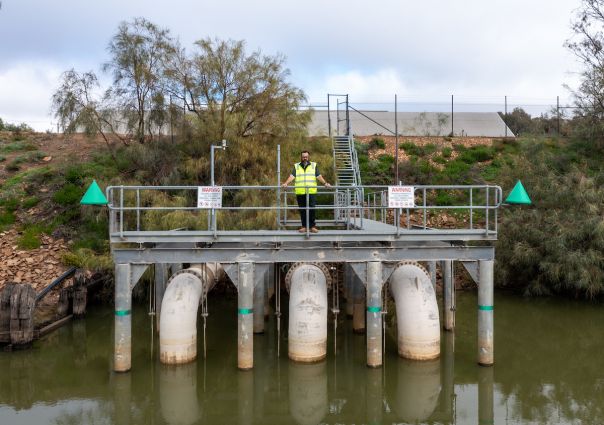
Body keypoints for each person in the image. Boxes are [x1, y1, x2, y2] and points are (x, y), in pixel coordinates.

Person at [281, 150, 331, 233]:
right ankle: (304, 226)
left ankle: (312, 226)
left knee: (311, 209)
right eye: (303, 157)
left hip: (311, 191)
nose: (305, 158)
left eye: (306, 157)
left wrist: (325, 183)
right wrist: (286, 183)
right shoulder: (296, 166)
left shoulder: (313, 165)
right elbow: (292, 176)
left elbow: (318, 176)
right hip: (300, 191)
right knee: (302, 209)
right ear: (301, 157)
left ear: (309, 157)